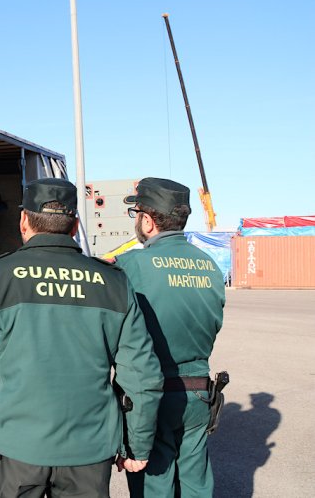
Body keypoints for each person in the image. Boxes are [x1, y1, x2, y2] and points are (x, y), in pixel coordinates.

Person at [0, 178, 164, 498]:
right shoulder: (114, 282)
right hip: (89, 450)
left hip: (14, 447)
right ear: (75, 224)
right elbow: (141, 375)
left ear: (23, 220)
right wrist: (138, 444)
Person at [118, 177, 225, 497]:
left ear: (148, 221)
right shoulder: (210, 266)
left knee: (153, 484)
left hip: (151, 396)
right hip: (198, 394)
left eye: (137, 214)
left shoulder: (131, 264)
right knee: (195, 486)